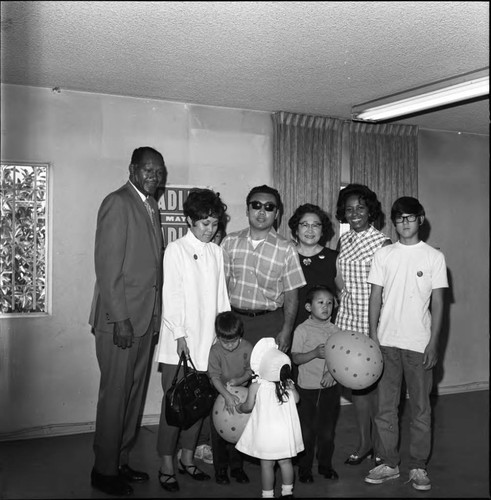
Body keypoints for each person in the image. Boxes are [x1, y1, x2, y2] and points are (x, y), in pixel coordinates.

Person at [88, 146, 167, 496]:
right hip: (119, 321)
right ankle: (103, 471)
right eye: (148, 169)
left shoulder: (151, 207)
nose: (154, 176)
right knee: (115, 396)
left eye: (159, 171)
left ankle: (120, 461)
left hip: (143, 319)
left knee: (132, 396)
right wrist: (120, 319)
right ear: (133, 169)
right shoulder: (117, 202)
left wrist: (152, 315)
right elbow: (107, 268)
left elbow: (150, 269)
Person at [364, 197, 448, 491]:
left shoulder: (434, 257)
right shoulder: (384, 254)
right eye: (399, 219)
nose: (405, 223)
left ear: (420, 219)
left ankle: (418, 467)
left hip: (419, 345)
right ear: (394, 222)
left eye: (410, 218)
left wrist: (434, 343)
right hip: (387, 343)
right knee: (385, 408)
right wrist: (373, 336)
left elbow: (439, 304)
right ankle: (388, 463)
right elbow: (375, 297)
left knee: (421, 410)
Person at [154, 188, 230, 492]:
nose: (209, 230)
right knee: (175, 406)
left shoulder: (216, 251)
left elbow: (221, 298)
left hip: (208, 341)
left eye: (214, 224)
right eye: (203, 224)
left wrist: (223, 335)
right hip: (180, 343)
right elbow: (170, 296)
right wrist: (181, 335)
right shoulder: (176, 250)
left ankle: (188, 459)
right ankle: (166, 463)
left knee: (199, 404)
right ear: (189, 220)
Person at [334, 183, 391, 467]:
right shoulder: (344, 241)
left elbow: (388, 291)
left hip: (374, 324)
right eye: (349, 208)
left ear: (370, 211)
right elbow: (339, 279)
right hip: (347, 320)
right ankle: (364, 442)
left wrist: (378, 330)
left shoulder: (383, 243)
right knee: (359, 388)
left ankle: (381, 446)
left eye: (360, 207)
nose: (354, 213)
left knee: (380, 390)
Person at [221, 185, 306, 352]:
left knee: (267, 378)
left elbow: (291, 296)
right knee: (232, 377)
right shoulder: (229, 242)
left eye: (269, 207)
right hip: (233, 324)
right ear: (247, 210)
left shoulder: (287, 249)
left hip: (270, 324)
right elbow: (220, 287)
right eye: (256, 205)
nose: (261, 212)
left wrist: (287, 331)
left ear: (276, 214)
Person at [236, 337, 304, 499]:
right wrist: (291, 388)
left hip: (266, 434)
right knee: (286, 462)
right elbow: (296, 399)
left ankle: (267, 495)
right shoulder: (286, 384)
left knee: (267, 465)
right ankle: (287, 493)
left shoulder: (257, 386)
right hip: (284, 433)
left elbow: (248, 406)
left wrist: (239, 407)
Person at [291, 285, 343, 484]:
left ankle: (325, 466)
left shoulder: (335, 330)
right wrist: (314, 353)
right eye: (320, 302)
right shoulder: (302, 330)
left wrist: (331, 372)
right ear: (308, 306)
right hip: (306, 390)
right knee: (306, 432)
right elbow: (295, 358)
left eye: (329, 303)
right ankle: (304, 469)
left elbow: (340, 359)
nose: (326, 307)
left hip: (329, 390)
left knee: (327, 432)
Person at [207, 311, 253, 485]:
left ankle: (237, 468)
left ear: (240, 335)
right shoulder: (215, 350)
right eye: (226, 342)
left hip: (242, 392)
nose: (231, 345)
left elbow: (251, 371)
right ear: (218, 337)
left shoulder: (247, 347)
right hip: (219, 394)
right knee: (218, 435)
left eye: (234, 341)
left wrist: (240, 380)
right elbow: (214, 377)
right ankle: (220, 470)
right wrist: (226, 395)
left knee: (239, 432)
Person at [288, 203, 338, 329]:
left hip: (324, 329)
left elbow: (342, 295)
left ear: (322, 231)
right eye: (305, 225)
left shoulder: (334, 258)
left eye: (316, 225)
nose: (310, 230)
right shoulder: (286, 256)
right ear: (296, 229)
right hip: (290, 325)